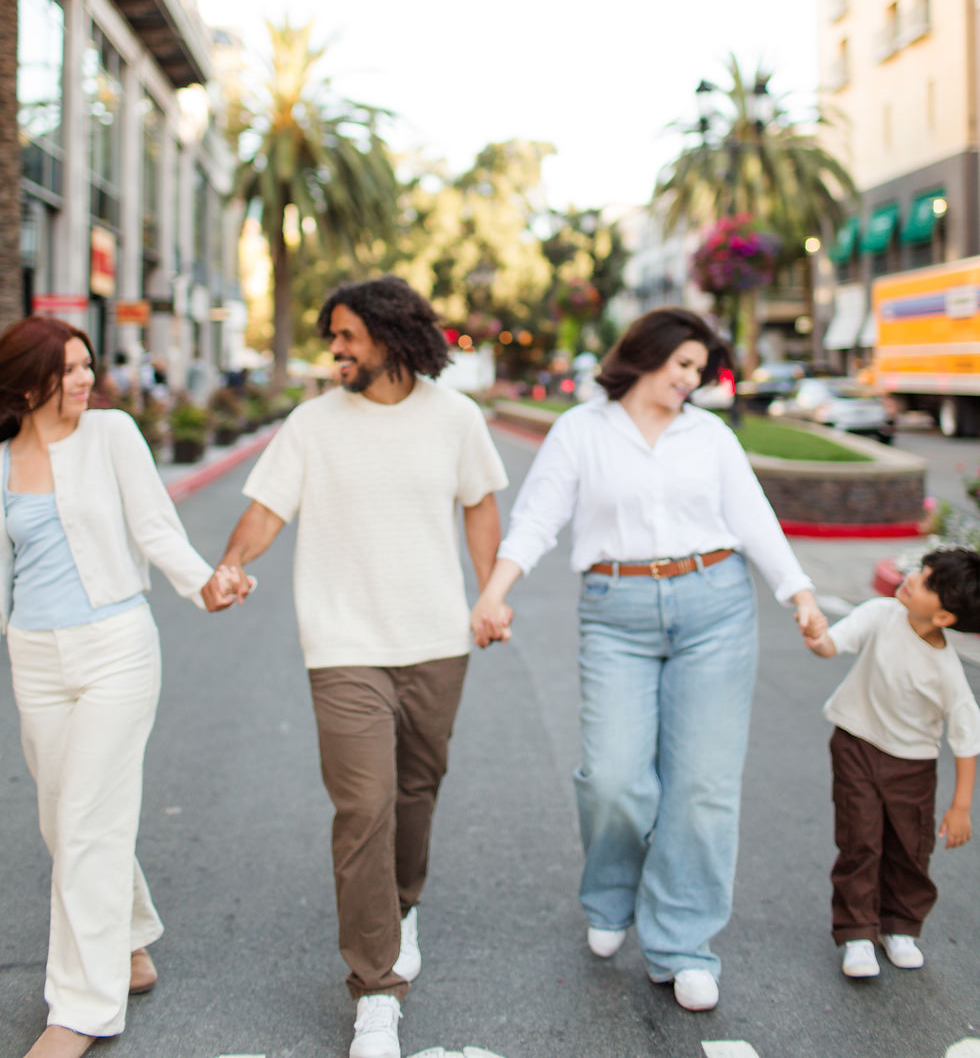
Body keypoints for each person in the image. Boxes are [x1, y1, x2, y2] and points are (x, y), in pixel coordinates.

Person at [470, 306, 821, 1012]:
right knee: (613, 778)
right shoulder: (581, 431)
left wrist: (801, 594)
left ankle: (683, 942)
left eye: (700, 371)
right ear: (647, 353)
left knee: (703, 786)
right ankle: (610, 894)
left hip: (715, 603)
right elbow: (537, 518)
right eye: (683, 364)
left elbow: (753, 517)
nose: (690, 381)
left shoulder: (709, 435)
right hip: (616, 610)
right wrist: (493, 595)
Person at [216, 276, 507, 1058]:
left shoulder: (455, 418)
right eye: (332, 335)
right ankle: (376, 990)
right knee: (365, 807)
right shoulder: (313, 424)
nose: (336, 349)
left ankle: (402, 903)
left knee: (416, 791)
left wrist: (489, 595)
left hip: (436, 641)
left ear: (391, 335)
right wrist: (231, 564)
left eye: (348, 336)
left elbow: (480, 501)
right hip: (343, 646)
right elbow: (268, 506)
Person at [0, 316, 250, 1058]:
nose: (83, 379)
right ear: (25, 381)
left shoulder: (112, 437)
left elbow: (156, 527)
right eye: (67, 368)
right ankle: (131, 937)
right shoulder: (4, 463)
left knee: (85, 822)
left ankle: (79, 1009)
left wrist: (205, 584)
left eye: (86, 365)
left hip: (115, 647)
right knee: (64, 819)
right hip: (36, 657)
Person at [801, 547, 980, 978]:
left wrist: (960, 807)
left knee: (910, 848)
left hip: (912, 767)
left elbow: (966, 739)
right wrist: (817, 637)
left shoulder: (947, 672)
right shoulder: (881, 614)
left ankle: (900, 925)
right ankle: (858, 933)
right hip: (855, 745)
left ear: (943, 618)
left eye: (926, 581)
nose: (913, 578)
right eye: (921, 570)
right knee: (860, 840)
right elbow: (833, 645)